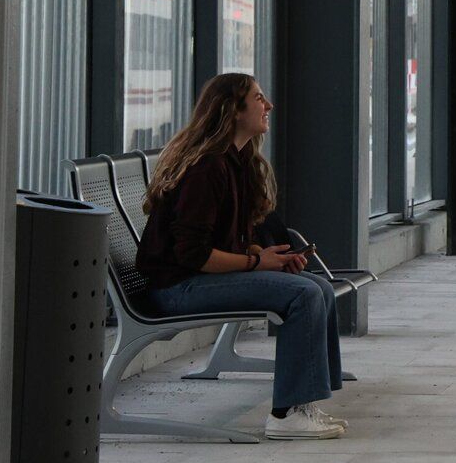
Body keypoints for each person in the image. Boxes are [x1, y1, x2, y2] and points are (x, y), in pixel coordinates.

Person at [136, 73, 348, 440]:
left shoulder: (233, 162)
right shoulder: (207, 169)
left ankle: (302, 406)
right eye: (259, 98)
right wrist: (257, 264)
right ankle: (286, 415)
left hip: (196, 279)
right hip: (177, 288)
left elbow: (223, 239)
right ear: (233, 111)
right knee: (304, 293)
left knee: (317, 286)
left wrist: (264, 255)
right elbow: (193, 254)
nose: (268, 106)